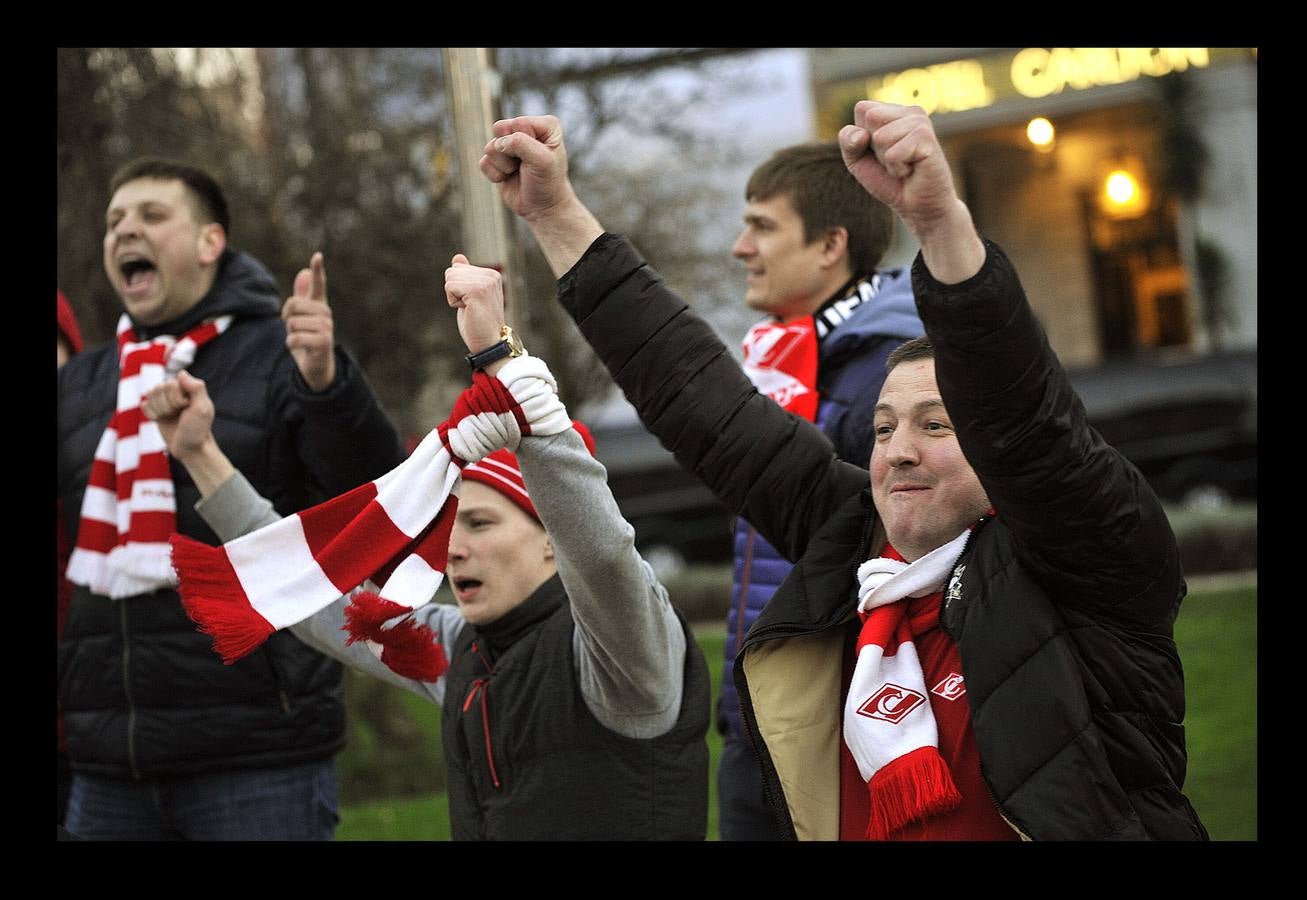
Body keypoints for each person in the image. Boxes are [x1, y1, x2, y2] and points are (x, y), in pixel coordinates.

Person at [476, 103, 1209, 840]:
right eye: (884, 427)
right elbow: (700, 401)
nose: (895, 450)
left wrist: (936, 221)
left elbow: (1024, 417)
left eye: (935, 425)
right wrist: (555, 212)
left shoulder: (1086, 561)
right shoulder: (854, 541)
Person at [149, 254, 710, 841]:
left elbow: (603, 557)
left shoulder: (624, 653)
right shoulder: (460, 649)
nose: (454, 550)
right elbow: (311, 591)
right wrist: (199, 456)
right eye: (453, 526)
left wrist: (503, 360)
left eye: (483, 524)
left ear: (554, 542)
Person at [57, 157, 404, 840]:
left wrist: (328, 383)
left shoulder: (284, 358)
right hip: (108, 765)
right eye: (113, 222)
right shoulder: (85, 382)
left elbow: (369, 499)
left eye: (151, 216)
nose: (125, 231)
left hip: (257, 757)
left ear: (210, 242)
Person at [718, 142, 922, 839]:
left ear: (830, 244)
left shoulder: (883, 381)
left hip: (832, 732)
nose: (741, 247)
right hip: (765, 720)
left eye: (762, 226)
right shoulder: (784, 363)